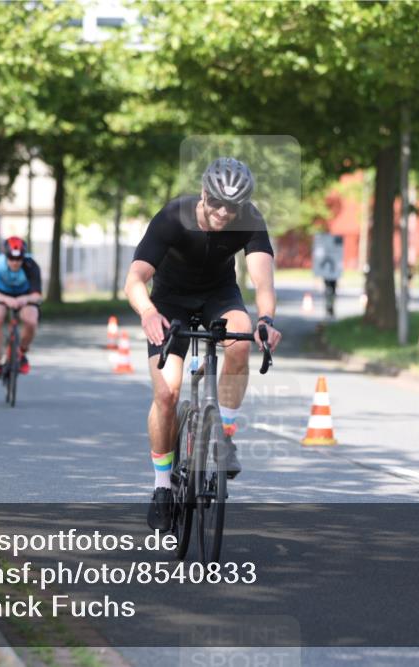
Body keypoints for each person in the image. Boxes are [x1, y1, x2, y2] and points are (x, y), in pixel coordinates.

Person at [124, 157, 283, 531]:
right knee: (168, 392)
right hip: (169, 302)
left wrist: (266, 320)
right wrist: (147, 312)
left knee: (241, 339)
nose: (224, 213)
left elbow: (263, 281)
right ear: (203, 194)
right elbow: (135, 277)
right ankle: (163, 484)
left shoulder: (250, 219)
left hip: (218, 294)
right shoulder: (172, 216)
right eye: (216, 203)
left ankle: (223, 437)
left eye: (233, 206)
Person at [0, 236, 42, 379]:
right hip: (2, 294)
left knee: (31, 320)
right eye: (11, 258)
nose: (15, 262)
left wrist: (25, 299)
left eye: (19, 259)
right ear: (6, 256)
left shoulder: (31, 265)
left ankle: (21, 351)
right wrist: (6, 300)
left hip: (24, 295)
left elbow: (37, 296)